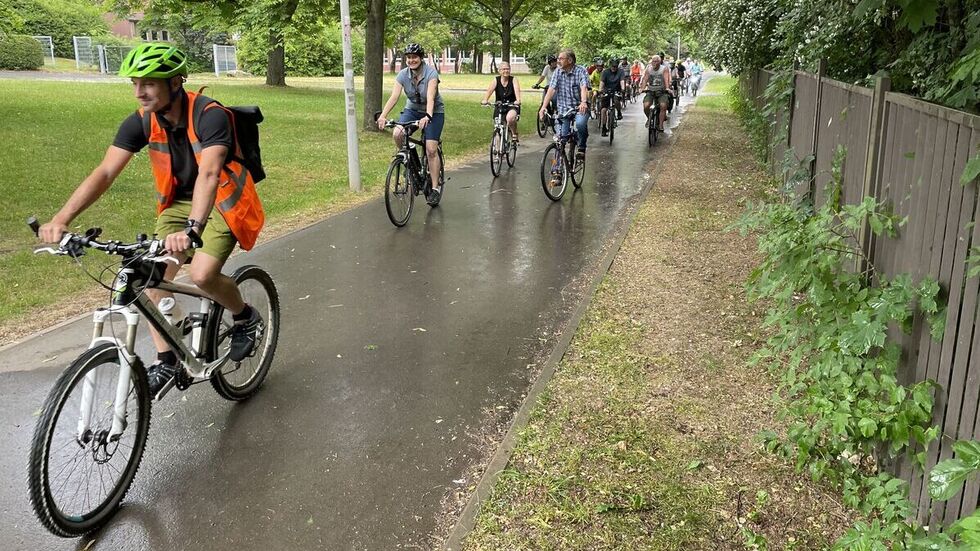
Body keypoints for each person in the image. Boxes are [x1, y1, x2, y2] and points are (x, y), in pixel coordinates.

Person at [37, 43, 265, 396]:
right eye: (135, 83)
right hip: (177, 205)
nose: (139, 92)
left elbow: (209, 174)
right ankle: (166, 359)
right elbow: (105, 172)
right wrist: (62, 218)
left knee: (202, 274)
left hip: (222, 201)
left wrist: (193, 229)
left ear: (175, 83)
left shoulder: (210, 115)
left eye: (149, 83)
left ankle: (244, 316)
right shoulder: (141, 120)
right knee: (147, 280)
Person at [377, 43, 446, 206]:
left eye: (414, 57)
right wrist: (383, 116)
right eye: (408, 57)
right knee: (398, 133)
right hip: (413, 110)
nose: (411, 60)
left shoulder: (431, 73)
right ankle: (411, 155)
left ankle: (435, 188)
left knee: (430, 149)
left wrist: (428, 115)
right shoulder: (402, 75)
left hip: (434, 111)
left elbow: (431, 96)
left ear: (421, 58)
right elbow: (394, 97)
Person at [539, 48, 590, 175]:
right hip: (563, 110)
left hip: (579, 107)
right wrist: (543, 107)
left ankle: (581, 148)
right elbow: (551, 90)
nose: (558, 61)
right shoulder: (557, 72)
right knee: (560, 140)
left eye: (561, 58)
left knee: (580, 124)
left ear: (570, 60)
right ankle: (557, 171)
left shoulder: (581, 71)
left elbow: (584, 87)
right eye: (558, 58)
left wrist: (583, 102)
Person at [481, 61, 522, 144]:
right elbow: (489, 91)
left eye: (507, 69)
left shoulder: (513, 80)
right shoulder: (496, 80)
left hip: (511, 105)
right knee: (497, 126)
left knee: (510, 119)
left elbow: (517, 92)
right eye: (503, 69)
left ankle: (514, 133)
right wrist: (485, 100)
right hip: (500, 105)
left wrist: (518, 100)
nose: (505, 71)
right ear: (499, 71)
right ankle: (498, 151)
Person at [640, 54, 671, 132]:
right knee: (646, 106)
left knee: (663, 105)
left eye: (656, 61)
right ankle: (649, 118)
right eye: (653, 61)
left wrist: (667, 88)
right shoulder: (649, 69)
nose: (654, 63)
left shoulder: (664, 69)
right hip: (650, 91)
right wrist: (642, 88)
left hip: (661, 91)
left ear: (659, 62)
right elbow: (645, 79)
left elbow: (666, 78)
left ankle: (660, 124)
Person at [598, 58, 626, 136]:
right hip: (607, 91)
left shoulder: (620, 71)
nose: (614, 68)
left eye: (615, 66)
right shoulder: (605, 72)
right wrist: (600, 90)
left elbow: (622, 81)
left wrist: (623, 89)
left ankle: (619, 112)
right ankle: (604, 127)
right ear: (610, 66)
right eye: (613, 66)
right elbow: (602, 82)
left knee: (616, 100)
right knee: (603, 110)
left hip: (617, 90)